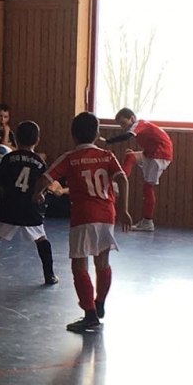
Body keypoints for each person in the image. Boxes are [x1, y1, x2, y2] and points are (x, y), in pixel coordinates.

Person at [34, 112, 132, 333]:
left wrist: (37, 194)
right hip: (106, 215)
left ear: (73, 135)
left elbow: (44, 179)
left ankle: (89, 314)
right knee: (103, 262)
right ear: (97, 134)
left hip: (83, 216)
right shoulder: (107, 156)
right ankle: (100, 303)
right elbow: (123, 179)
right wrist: (124, 210)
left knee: (79, 264)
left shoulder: (70, 158)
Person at [0, 120, 58, 285]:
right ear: (37, 141)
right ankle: (49, 275)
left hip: (9, 205)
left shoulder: (8, 158)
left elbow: (0, 183)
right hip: (30, 207)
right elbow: (44, 182)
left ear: (17, 139)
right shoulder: (40, 162)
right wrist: (40, 195)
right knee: (41, 239)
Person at [101, 107, 173, 232]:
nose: (123, 127)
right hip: (151, 152)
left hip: (159, 154)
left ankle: (148, 221)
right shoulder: (142, 125)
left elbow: (127, 136)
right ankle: (118, 184)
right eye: (120, 125)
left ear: (132, 118)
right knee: (130, 156)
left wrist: (107, 141)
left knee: (148, 187)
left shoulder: (139, 124)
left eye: (124, 123)